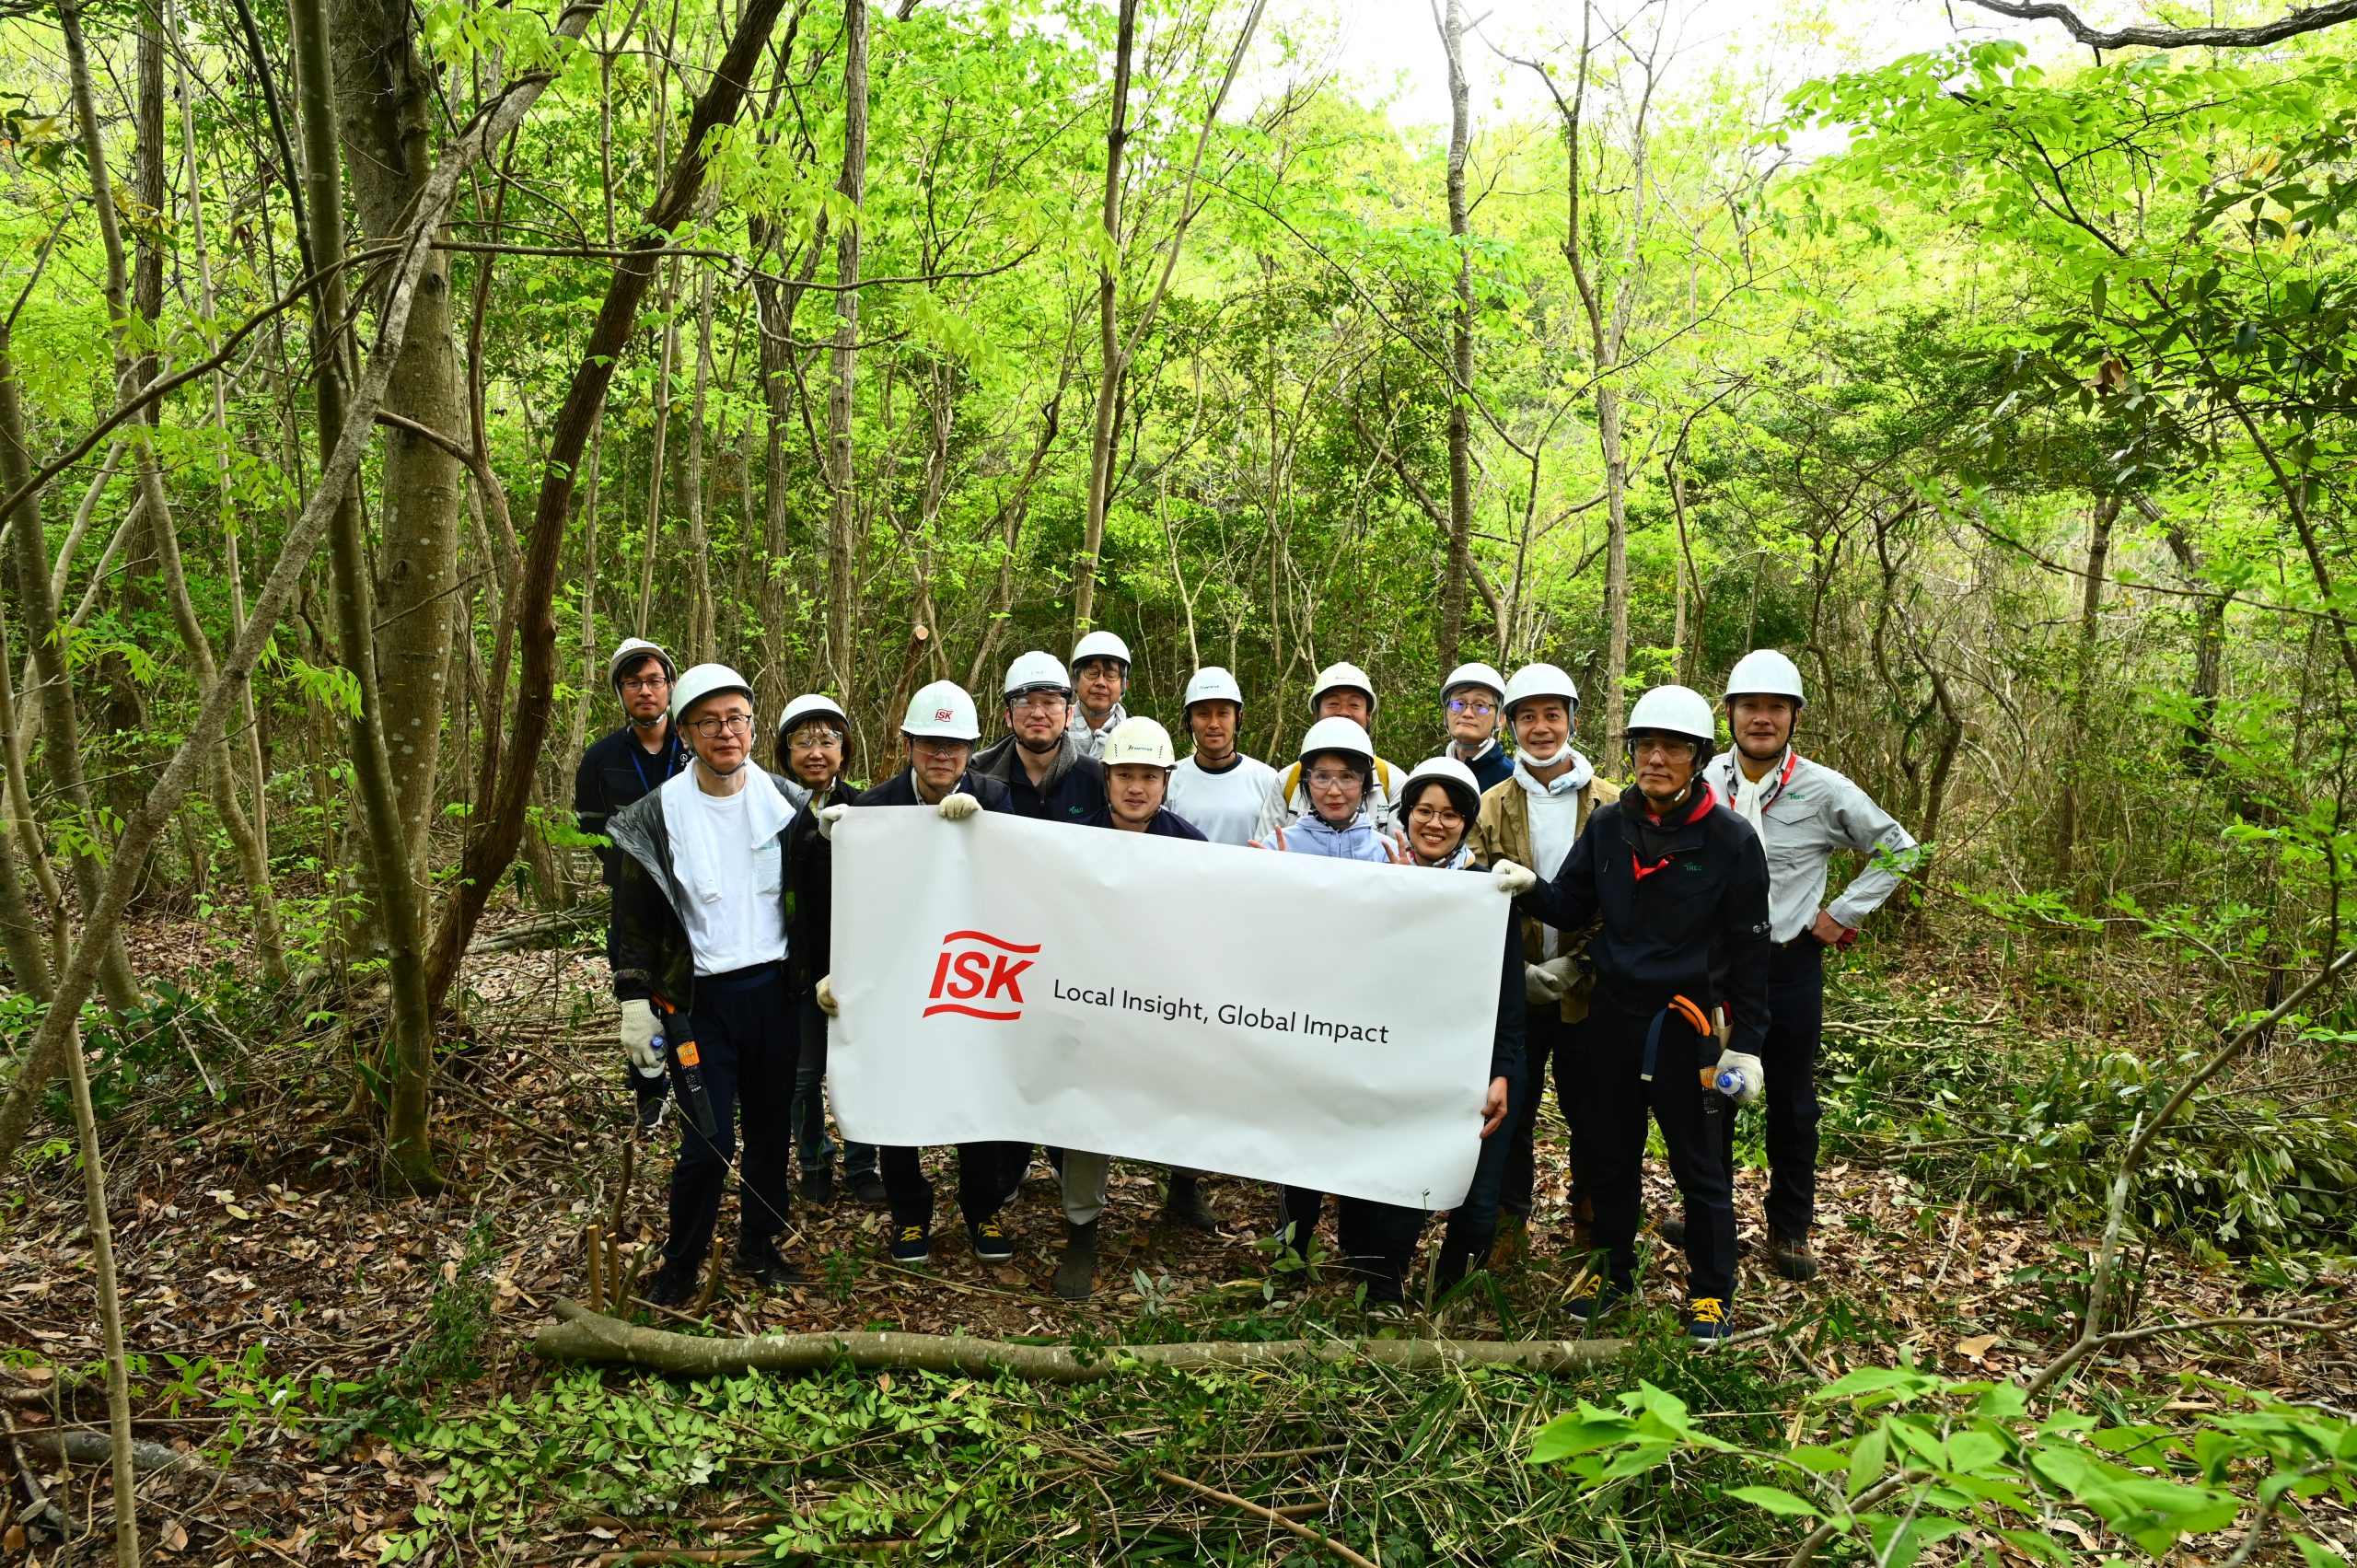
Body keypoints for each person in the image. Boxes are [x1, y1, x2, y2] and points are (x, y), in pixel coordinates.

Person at [1494, 684, 1770, 1343]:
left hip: (1688, 1027)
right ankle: (1612, 1275)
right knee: (1610, 1154)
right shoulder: (1609, 824)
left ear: (1698, 756)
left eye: (1673, 748)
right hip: (1613, 1018)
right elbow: (1572, 903)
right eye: (1646, 746)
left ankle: (1711, 1293)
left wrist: (1749, 1042)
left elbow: (1752, 948)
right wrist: (1529, 888)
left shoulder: (1730, 838)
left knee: (1700, 1165)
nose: (1656, 759)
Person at [1691, 649, 1920, 1281]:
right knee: (1711, 1093)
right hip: (1715, 970)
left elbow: (1899, 848)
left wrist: (1842, 913)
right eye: (1750, 707)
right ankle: (1709, 1213)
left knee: (1792, 1103)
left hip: (1788, 966)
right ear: (1730, 713)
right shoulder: (1704, 778)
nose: (1761, 719)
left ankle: (1789, 1226)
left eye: (1776, 708)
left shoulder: (1824, 789)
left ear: (1794, 716)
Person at [606, 664, 807, 1307]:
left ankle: (759, 1246)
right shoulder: (655, 816)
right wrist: (634, 1001)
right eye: (710, 722)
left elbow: (822, 896)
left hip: (774, 994)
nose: (726, 732)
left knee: (772, 1131)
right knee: (709, 1142)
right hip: (696, 1004)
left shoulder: (787, 803)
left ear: (753, 725)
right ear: (687, 733)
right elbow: (633, 918)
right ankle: (681, 1262)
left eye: (737, 719)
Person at [817, 680, 1026, 1268]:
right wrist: (836, 971)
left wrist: (985, 832)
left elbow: (1021, 883)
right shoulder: (873, 809)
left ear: (971, 750)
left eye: (954, 746)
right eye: (931, 743)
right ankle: (910, 1213)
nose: (942, 756)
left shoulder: (996, 798)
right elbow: (845, 901)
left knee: (976, 1090)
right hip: (898, 976)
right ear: (908, 743)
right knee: (896, 1089)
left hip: (970, 974)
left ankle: (982, 1209)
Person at [1051, 716, 1217, 1298]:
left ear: (1166, 781)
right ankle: (1082, 1231)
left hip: (1169, 1003)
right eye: (1125, 775)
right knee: (1087, 1111)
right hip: (1095, 1002)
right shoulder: (1075, 842)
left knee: (1188, 1094)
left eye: (1149, 776)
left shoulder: (1192, 847)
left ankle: (1183, 1186)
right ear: (1107, 778)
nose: (1136, 787)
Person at [1471, 663, 1615, 1269]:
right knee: (1512, 1113)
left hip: (1592, 992)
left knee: (1594, 1113)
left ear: (1572, 722)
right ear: (1511, 726)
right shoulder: (1490, 805)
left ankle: (1591, 1221)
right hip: (1514, 992)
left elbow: (1625, 902)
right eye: (1527, 717)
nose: (1540, 728)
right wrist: (1517, 972)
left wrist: (1580, 964)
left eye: (1552, 715)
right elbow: (1472, 890)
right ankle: (1508, 1224)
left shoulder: (1611, 803)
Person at [1394, 757, 1523, 1294]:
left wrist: (1503, 1071)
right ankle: (1381, 1287)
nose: (1435, 824)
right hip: (1399, 1057)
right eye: (1424, 810)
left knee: (1478, 1196)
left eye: (1450, 815)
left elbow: (1509, 995)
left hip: (1476, 1059)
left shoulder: (1488, 891)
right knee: (1395, 1185)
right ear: (1406, 814)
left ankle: (1449, 1293)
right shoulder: (1379, 879)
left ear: (1467, 823)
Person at [575, 637, 691, 1130]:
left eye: (654, 681)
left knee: (694, 996)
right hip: (631, 904)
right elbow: (591, 827)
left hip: (694, 898)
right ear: (620, 692)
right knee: (639, 997)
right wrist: (630, 870)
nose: (645, 691)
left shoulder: (695, 747)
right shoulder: (601, 757)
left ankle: (701, 1086)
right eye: (633, 682)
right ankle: (649, 1091)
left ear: (670, 686)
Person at [776, 694, 883, 1208]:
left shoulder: (869, 806)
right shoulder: (772, 809)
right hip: (796, 966)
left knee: (856, 1066)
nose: (816, 752)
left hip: (857, 964)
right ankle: (813, 1161)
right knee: (802, 1076)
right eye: (802, 741)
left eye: (827, 740)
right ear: (785, 751)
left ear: (844, 749)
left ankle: (863, 1164)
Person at [1257, 663, 1408, 839]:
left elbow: (1401, 851)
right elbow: (1264, 847)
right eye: (1333, 704)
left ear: (1368, 716)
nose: (1343, 712)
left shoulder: (1393, 782)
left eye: (1354, 705)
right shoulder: (1287, 781)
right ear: (1316, 714)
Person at [972, 651, 1109, 823]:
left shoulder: (1096, 779)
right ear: (1008, 716)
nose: (1038, 713)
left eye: (1050, 702)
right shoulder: (978, 779)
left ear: (1069, 714)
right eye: (1024, 702)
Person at [1251, 717, 1408, 862]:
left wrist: (1402, 877)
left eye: (1347, 777)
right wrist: (1274, 874)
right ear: (1307, 781)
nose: (1333, 791)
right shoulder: (1278, 847)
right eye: (1322, 777)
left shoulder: (1388, 854)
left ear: (1364, 782)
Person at [1165, 667, 1286, 846]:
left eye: (1223, 713)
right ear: (1189, 721)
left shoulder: (1267, 780)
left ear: (1238, 718)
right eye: (1203, 714)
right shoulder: (1170, 778)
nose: (1214, 724)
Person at [1437, 662, 1514, 793]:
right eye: (1458, 704)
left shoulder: (1513, 778)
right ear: (1446, 713)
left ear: (1501, 718)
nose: (1467, 713)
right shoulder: (1432, 771)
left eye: (1480, 705)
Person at [1067, 630, 1132, 760]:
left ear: (1124, 685)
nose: (1101, 682)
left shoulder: (1135, 736)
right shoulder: (1056, 731)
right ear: (1075, 681)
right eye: (1092, 673)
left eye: (1111, 675)